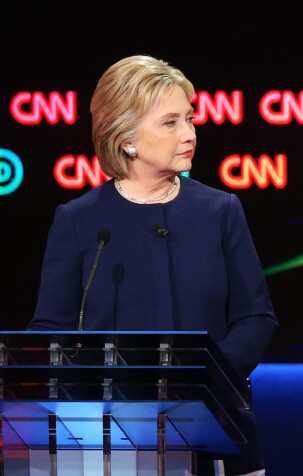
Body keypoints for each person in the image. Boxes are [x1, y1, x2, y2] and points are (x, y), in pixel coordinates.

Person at [28, 55, 278, 476]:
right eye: (170, 122)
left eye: (190, 119)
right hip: (111, 443)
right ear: (126, 138)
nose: (189, 134)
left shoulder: (220, 210)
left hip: (215, 434)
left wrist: (204, 379)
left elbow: (256, 318)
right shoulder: (79, 221)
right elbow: (50, 332)